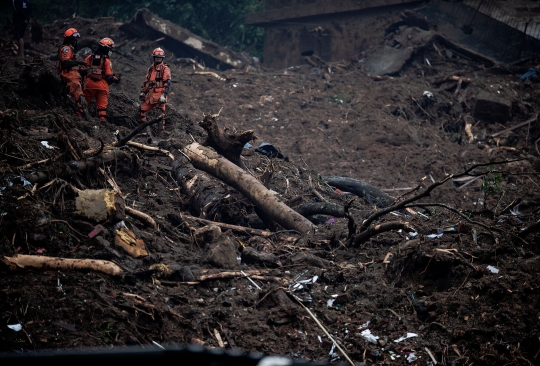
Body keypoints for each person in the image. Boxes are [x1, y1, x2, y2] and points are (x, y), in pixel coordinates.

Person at [83, 38, 120, 121]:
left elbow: (83, 70)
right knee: (102, 108)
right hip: (102, 86)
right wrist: (115, 79)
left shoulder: (89, 57)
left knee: (84, 104)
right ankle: (102, 123)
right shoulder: (106, 61)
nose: (110, 51)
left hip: (89, 84)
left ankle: (80, 119)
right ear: (106, 48)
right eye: (110, 49)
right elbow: (109, 77)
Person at [56, 28, 87, 117]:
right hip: (69, 75)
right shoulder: (66, 49)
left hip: (72, 74)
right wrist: (78, 62)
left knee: (79, 94)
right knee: (78, 97)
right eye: (73, 39)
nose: (75, 41)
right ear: (69, 39)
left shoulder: (69, 49)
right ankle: (79, 115)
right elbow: (65, 63)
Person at [139, 48, 171, 129]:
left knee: (160, 114)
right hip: (151, 96)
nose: (158, 59)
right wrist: (143, 92)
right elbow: (147, 82)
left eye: (159, 58)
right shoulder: (150, 69)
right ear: (154, 58)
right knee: (142, 110)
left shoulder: (165, 69)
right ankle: (144, 129)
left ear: (162, 58)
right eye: (156, 57)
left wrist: (164, 95)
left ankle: (160, 132)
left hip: (160, 96)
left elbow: (167, 83)